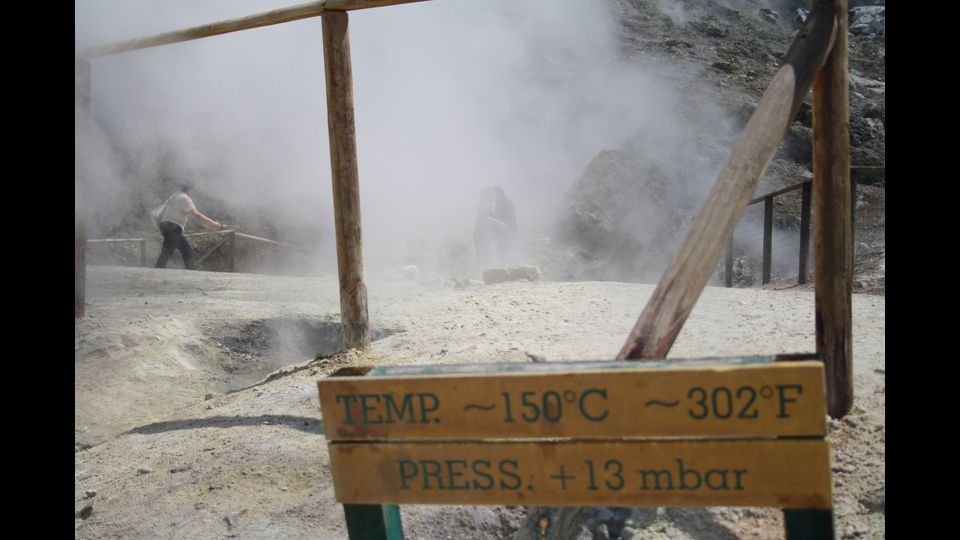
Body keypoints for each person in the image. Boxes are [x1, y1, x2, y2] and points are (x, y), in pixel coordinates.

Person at [155, 182, 223, 270]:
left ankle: (158, 270)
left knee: (167, 251)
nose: (196, 192)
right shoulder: (185, 198)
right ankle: (192, 271)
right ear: (190, 189)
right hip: (173, 226)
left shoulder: (176, 195)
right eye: (195, 189)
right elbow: (197, 215)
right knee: (186, 251)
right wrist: (213, 224)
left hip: (165, 225)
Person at [473, 185, 517, 271]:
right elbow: (487, 218)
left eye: (494, 194)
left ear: (500, 193)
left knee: (498, 252)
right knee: (484, 255)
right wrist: (500, 224)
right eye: (492, 194)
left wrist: (502, 227)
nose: (493, 197)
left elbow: (507, 219)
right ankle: (479, 274)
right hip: (481, 235)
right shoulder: (485, 204)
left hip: (506, 233)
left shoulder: (505, 203)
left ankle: (503, 271)